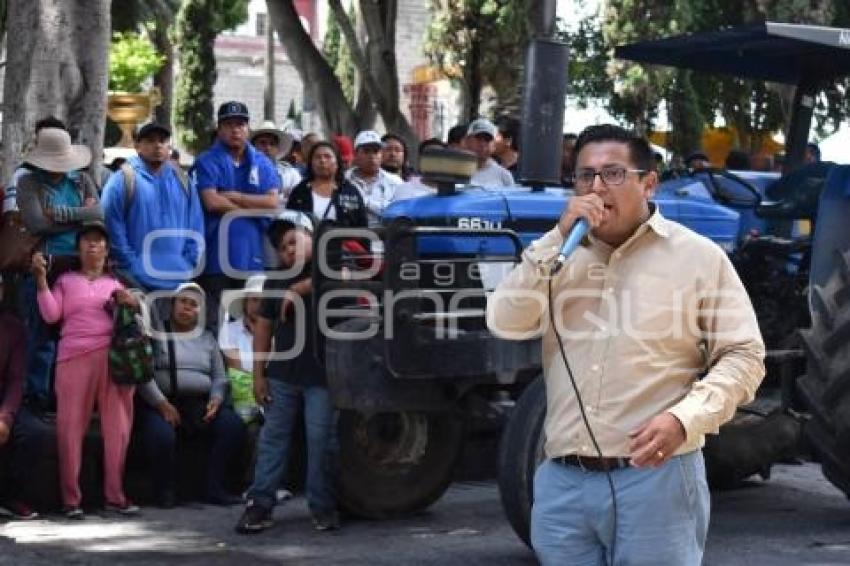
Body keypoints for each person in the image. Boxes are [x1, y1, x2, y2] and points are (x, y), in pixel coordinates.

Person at [487, 124, 765, 565]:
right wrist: (555, 240)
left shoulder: (698, 257)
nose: (597, 187)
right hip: (563, 484)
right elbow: (505, 321)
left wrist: (684, 419)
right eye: (584, 176)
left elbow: (745, 356)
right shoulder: (559, 254)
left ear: (648, 182)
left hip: (656, 478)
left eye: (613, 173)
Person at [235, 211, 339, 534]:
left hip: (322, 377)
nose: (289, 250)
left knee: (321, 441)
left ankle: (322, 505)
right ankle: (260, 504)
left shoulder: (331, 268)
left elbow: (353, 276)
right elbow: (263, 329)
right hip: (281, 374)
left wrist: (303, 287)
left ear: (313, 238)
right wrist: (258, 374)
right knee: (272, 439)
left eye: (295, 240)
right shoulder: (273, 280)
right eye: (282, 247)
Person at [33, 222, 140, 519]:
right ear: (78, 249)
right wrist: (42, 281)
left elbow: (134, 318)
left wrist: (129, 303)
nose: (93, 245)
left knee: (118, 429)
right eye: (87, 241)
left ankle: (115, 497)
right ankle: (71, 500)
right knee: (70, 428)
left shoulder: (117, 283)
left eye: (98, 241)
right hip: (73, 357)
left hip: (113, 358)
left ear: (107, 250)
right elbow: (52, 314)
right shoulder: (65, 281)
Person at [135, 282, 246, 507]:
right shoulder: (156, 335)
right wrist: (161, 404)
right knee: (161, 435)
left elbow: (219, 377)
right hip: (163, 402)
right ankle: (164, 491)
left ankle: (214, 487)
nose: (187, 307)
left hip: (200, 404)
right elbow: (143, 374)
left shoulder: (207, 338)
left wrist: (216, 400)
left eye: (193, 304)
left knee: (233, 426)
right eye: (183, 302)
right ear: (173, 305)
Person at [17, 127, 102, 411]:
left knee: (73, 335)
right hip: (43, 265)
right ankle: (38, 399)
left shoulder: (82, 180)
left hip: (78, 268)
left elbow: (98, 214)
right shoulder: (29, 182)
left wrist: (62, 214)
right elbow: (36, 223)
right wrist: (80, 216)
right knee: (40, 336)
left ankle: (68, 399)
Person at [192, 101, 280, 330]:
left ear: (248, 128)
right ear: (219, 129)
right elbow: (211, 202)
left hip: (254, 256)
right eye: (229, 124)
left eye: (241, 124)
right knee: (217, 325)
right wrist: (253, 207)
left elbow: (272, 202)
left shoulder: (262, 161)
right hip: (216, 258)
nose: (235, 130)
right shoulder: (206, 160)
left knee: (253, 325)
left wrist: (235, 196)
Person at [101, 122, 204, 296]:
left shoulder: (184, 181)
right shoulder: (122, 180)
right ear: (137, 146)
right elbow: (112, 226)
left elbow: (196, 226)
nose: (157, 145)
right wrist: (131, 265)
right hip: (135, 282)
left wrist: (189, 262)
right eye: (150, 140)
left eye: (163, 140)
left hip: (178, 280)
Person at [0, 273, 38, 520]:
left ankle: (9, 497)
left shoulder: (13, 327)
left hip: (4, 399)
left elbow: (16, 379)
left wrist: (5, 417)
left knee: (33, 433)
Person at [287, 141, 368, 228]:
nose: (322, 160)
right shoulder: (300, 191)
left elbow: (362, 226)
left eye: (327, 156)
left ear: (337, 163)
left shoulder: (350, 191)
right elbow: (289, 225)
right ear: (310, 163)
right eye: (317, 157)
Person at [346, 130, 402, 224]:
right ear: (355, 154)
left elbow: (399, 212)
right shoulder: (344, 180)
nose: (372, 156)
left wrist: (366, 203)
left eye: (376, 151)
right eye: (366, 151)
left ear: (381, 155)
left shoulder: (395, 182)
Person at [251, 121, 302, 202]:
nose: (268, 148)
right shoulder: (244, 171)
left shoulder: (290, 174)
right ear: (253, 146)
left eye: (272, 144)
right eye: (262, 143)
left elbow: (299, 200)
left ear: (277, 148)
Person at [466, 118, 514, 187]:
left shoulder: (503, 175)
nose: (482, 144)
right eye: (478, 139)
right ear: (468, 141)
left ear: (494, 145)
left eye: (487, 140)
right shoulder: (456, 172)